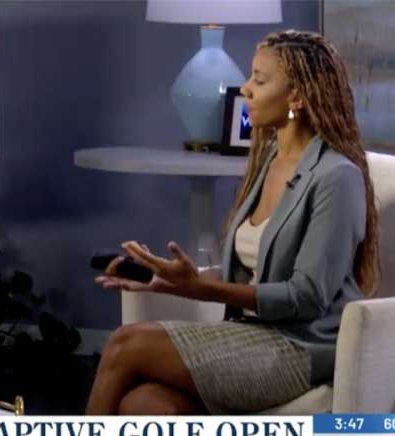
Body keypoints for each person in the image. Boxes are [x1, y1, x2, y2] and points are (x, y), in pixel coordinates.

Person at [87, 30, 379, 415]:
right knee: (145, 404)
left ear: (296, 96)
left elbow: (307, 296)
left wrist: (200, 290)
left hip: (300, 347)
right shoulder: (270, 160)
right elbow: (249, 276)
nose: (245, 89)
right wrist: (163, 280)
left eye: (259, 80)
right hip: (251, 331)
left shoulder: (336, 177)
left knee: (125, 344)